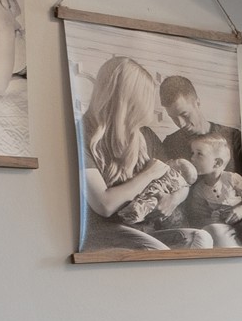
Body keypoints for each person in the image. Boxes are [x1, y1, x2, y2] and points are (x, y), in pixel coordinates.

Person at [77, 56, 179, 251]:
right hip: (103, 232)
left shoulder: (144, 134)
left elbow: (176, 177)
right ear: (128, 100)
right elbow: (105, 205)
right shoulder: (82, 135)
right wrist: (149, 173)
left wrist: (174, 199)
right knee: (160, 253)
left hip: (143, 228)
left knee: (201, 240)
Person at [155, 73, 242, 175]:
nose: (181, 124)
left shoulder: (234, 138)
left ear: (197, 103)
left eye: (184, 114)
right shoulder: (170, 144)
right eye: (173, 118)